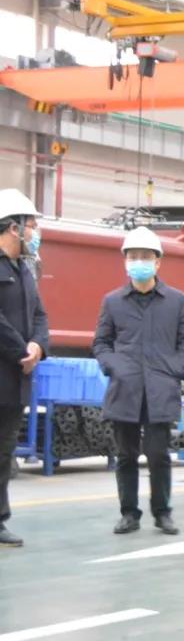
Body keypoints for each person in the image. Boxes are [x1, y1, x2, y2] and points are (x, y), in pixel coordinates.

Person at [93, 226, 184, 536]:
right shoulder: (112, 302)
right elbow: (101, 343)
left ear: (158, 262)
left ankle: (162, 513)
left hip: (160, 390)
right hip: (125, 390)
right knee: (125, 456)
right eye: (133, 256)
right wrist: (115, 367)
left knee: (158, 455)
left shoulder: (177, 301)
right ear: (125, 262)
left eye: (145, 256)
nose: (139, 261)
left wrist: (174, 370)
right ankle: (129, 513)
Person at [0, 189, 48, 549]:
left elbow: (40, 316)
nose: (34, 233)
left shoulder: (24, 270)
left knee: (3, 455)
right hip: (7, 369)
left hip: (16, 382)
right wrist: (21, 350)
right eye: (31, 225)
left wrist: (38, 346)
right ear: (13, 228)